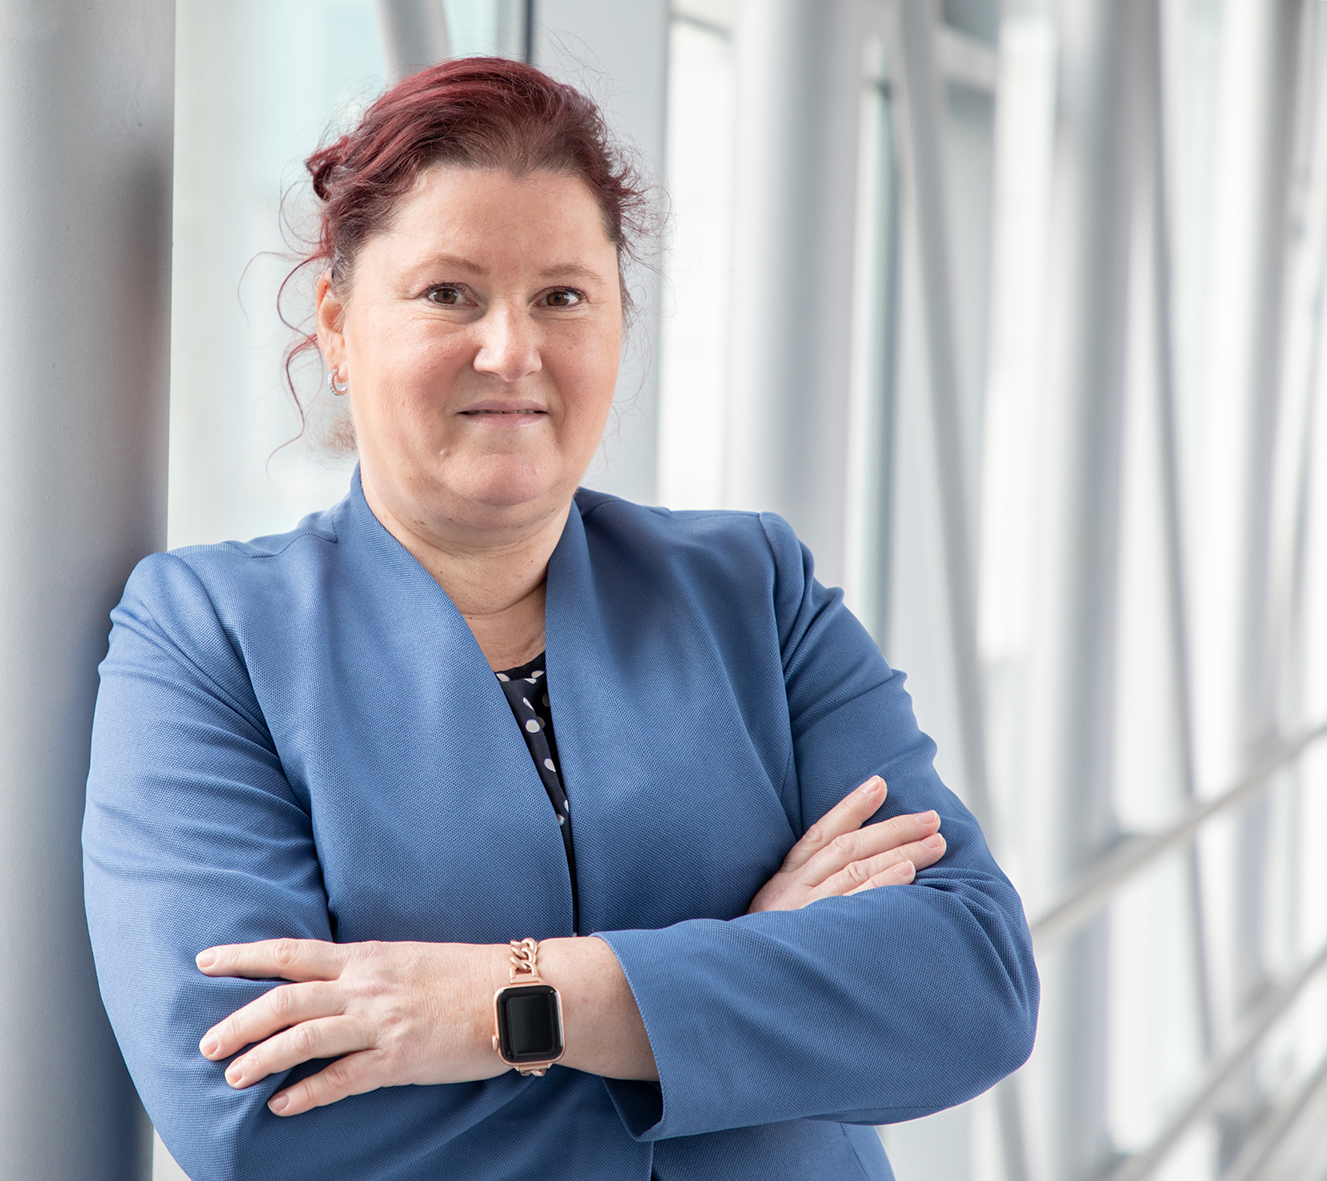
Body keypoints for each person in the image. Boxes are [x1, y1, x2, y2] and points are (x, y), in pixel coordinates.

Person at [83, 56, 1037, 1181]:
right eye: (448, 293)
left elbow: (970, 984)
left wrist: (500, 1001)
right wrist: (742, 988)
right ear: (338, 327)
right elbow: (255, 1116)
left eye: (562, 296)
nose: (511, 350)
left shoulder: (753, 589)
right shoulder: (209, 637)